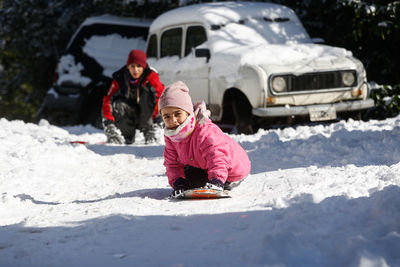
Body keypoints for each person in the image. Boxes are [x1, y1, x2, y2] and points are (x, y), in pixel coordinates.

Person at [159, 81, 251, 197]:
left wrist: (216, 181)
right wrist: (179, 183)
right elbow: (172, 163)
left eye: (178, 114)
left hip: (233, 170)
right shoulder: (171, 136)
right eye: (167, 116)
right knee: (190, 181)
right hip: (204, 166)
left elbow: (217, 157)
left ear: (188, 113)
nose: (173, 120)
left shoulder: (204, 131)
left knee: (200, 181)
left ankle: (220, 181)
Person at [102, 49, 164, 144]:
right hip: (128, 113)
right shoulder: (120, 77)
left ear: (143, 67)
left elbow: (162, 97)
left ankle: (151, 134)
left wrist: (158, 121)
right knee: (118, 105)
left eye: (139, 66)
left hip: (147, 114)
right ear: (128, 66)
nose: (135, 70)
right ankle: (126, 136)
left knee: (146, 98)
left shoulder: (151, 77)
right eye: (132, 66)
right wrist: (108, 123)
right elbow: (108, 99)